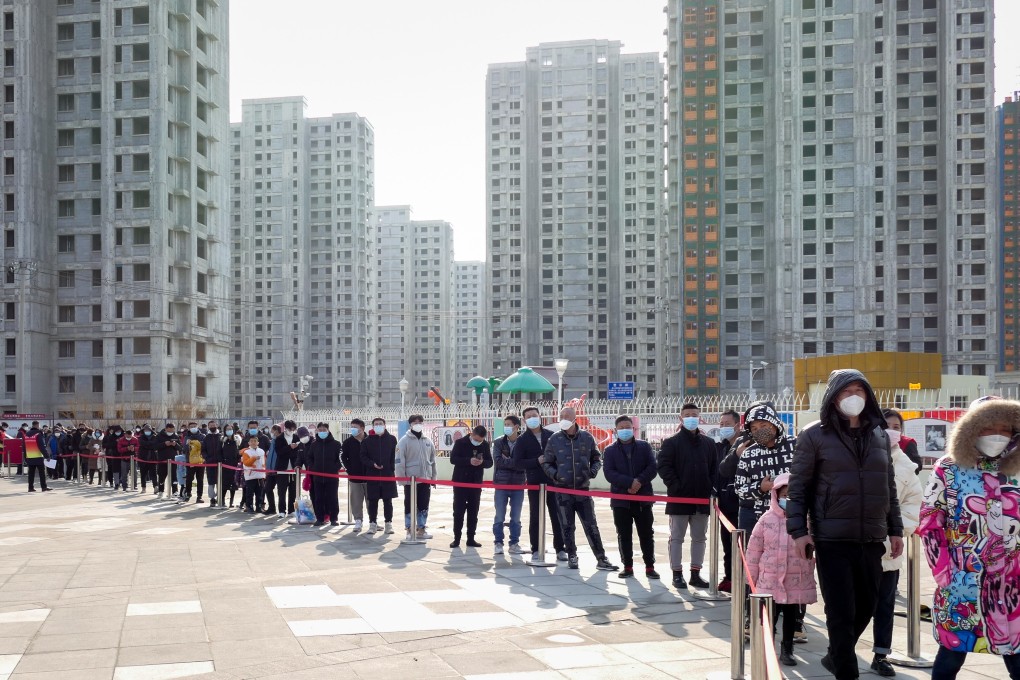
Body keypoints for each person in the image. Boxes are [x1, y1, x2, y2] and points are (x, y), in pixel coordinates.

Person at [786, 369, 904, 680]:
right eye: (845, 391)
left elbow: (888, 486)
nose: (853, 397)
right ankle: (846, 672)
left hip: (872, 536)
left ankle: (834, 656)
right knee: (840, 613)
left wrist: (895, 528)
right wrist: (798, 532)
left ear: (868, 395)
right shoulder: (814, 435)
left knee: (867, 606)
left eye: (859, 390)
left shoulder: (878, 434)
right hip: (832, 538)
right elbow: (798, 488)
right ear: (833, 396)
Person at [917, 396, 1020, 680]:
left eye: (1005, 428)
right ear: (971, 429)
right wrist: (944, 573)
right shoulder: (948, 469)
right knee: (951, 655)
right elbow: (930, 521)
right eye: (988, 427)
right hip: (962, 582)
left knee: (1018, 658)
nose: (998, 434)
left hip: (1014, 588)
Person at [870, 414, 923, 677]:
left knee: (885, 605)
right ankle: (840, 649)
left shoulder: (906, 466)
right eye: (885, 426)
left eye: (896, 428)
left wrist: (899, 530)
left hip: (890, 547)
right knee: (849, 603)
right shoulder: (859, 457)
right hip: (857, 545)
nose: (890, 432)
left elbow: (914, 503)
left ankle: (881, 654)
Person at [745, 473, 817, 667]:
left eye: (792, 496)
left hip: (795, 578)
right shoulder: (766, 519)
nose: (787, 500)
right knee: (769, 616)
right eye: (784, 495)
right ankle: (768, 647)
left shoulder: (807, 520)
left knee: (791, 616)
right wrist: (751, 578)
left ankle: (787, 649)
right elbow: (754, 549)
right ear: (776, 495)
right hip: (770, 579)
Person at [541, 407, 617, 571]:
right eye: (561, 415)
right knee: (567, 526)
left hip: (583, 490)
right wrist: (556, 475)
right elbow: (546, 463)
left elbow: (596, 459)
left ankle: (601, 557)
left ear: (575, 418)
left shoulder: (587, 437)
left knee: (591, 525)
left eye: (566, 415)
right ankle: (572, 556)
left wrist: (592, 472)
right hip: (563, 491)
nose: (563, 418)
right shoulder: (554, 439)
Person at [656, 403, 717, 590]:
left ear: (700, 417)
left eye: (695, 414)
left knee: (700, 538)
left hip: (701, 500)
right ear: (681, 418)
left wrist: (710, 489)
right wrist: (676, 486)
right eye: (688, 414)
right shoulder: (671, 442)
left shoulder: (708, 443)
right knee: (676, 538)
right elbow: (664, 467)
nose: (691, 417)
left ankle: (695, 574)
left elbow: (715, 469)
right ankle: (677, 574)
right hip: (679, 500)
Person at [602, 415, 659, 579]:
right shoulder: (610, 450)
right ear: (615, 431)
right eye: (621, 428)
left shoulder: (644, 446)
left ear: (633, 429)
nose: (625, 430)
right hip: (621, 500)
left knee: (646, 533)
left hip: (643, 499)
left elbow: (652, 468)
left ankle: (650, 566)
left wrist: (639, 482)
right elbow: (609, 473)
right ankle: (627, 566)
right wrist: (629, 483)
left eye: (628, 427)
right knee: (624, 534)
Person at [514, 406, 567, 562]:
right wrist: (535, 461)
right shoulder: (522, 440)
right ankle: (536, 549)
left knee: (557, 515)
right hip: (535, 483)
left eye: (534, 415)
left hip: (553, 481)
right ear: (524, 420)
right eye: (529, 416)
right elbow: (517, 463)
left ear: (540, 416)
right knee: (535, 516)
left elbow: (561, 457)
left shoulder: (552, 436)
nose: (532, 418)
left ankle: (560, 548)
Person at [449, 425, 493, 548]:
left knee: (473, 512)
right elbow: (453, 459)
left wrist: (482, 462)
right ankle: (456, 538)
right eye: (476, 439)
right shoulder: (460, 442)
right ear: (472, 434)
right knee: (458, 511)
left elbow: (490, 462)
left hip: (475, 482)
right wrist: (469, 461)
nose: (478, 442)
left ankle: (471, 538)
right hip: (461, 482)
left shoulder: (484, 445)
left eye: (481, 440)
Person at [395, 414, 437, 540]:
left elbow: (433, 461)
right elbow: (399, 461)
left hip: (425, 479)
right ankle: (409, 529)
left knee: (424, 504)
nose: (417, 424)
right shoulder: (404, 441)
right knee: (409, 504)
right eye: (415, 422)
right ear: (410, 424)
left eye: (420, 421)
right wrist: (402, 479)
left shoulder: (427, 441)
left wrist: (433, 479)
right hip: (410, 481)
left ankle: (421, 529)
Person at [491, 415, 527, 556]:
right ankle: (498, 542)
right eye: (505, 424)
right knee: (499, 515)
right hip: (501, 484)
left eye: (508, 424)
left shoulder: (523, 442)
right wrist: (515, 462)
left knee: (516, 516)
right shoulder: (499, 442)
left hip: (518, 484)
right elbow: (498, 461)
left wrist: (512, 462)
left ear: (516, 427)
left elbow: (524, 463)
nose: (506, 427)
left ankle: (514, 543)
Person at [715, 409, 741, 592]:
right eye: (721, 424)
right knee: (727, 543)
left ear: (738, 425)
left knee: (742, 545)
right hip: (724, 503)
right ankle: (729, 577)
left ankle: (743, 580)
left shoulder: (746, 446)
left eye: (727, 424)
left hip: (742, 503)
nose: (724, 427)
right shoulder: (722, 447)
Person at [361, 417, 398, 534]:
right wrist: (372, 464)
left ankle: (388, 523)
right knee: (373, 501)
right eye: (376, 424)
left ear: (385, 425)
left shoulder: (392, 439)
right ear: (372, 426)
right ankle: (372, 523)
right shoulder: (367, 441)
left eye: (380, 424)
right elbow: (363, 457)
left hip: (388, 475)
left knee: (388, 501)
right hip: (373, 475)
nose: (378, 426)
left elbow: (395, 456)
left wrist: (391, 468)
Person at [306, 422, 342, 526]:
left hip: (332, 476)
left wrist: (334, 468)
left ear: (328, 430)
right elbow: (309, 458)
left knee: (332, 497)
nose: (322, 432)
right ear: (317, 431)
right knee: (318, 498)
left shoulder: (336, 444)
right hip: (317, 477)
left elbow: (340, 459)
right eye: (320, 430)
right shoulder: (314, 444)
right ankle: (320, 518)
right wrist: (313, 468)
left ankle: (334, 518)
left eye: (324, 430)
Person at [341, 419, 369, 531]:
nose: (352, 429)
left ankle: (373, 521)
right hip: (354, 477)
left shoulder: (370, 440)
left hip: (370, 476)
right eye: (351, 426)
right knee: (356, 501)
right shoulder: (348, 442)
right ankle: (358, 520)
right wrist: (349, 470)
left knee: (371, 501)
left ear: (362, 428)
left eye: (355, 427)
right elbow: (342, 457)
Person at [271, 421, 299, 517]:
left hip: (294, 468)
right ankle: (282, 511)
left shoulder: (296, 437)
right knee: (282, 491)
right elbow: (279, 451)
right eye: (289, 429)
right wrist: (289, 447)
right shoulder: (279, 438)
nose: (291, 431)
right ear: (285, 428)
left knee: (293, 490)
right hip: (282, 468)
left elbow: (299, 451)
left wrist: (295, 447)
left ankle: (291, 510)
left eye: (293, 429)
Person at [884, 409, 922, 474]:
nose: (891, 430)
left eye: (896, 427)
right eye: (886, 426)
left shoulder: (907, 443)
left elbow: (917, 467)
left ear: (901, 429)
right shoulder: (868, 444)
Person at [240, 435, 266, 514]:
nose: (253, 443)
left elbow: (264, 462)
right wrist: (254, 458)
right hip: (250, 476)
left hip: (260, 476)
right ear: (249, 443)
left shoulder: (261, 451)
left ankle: (258, 506)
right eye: (251, 441)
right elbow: (246, 463)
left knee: (259, 493)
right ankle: (249, 507)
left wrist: (265, 471)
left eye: (255, 441)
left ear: (258, 442)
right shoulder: (246, 452)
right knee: (249, 493)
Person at [154, 423, 180, 499]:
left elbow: (180, 448)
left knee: (174, 476)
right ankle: (161, 491)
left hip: (173, 460)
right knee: (161, 476)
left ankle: (175, 491)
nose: (172, 431)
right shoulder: (159, 436)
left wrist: (175, 445)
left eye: (173, 430)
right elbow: (155, 447)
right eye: (170, 430)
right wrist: (164, 444)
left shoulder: (175, 436)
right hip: (162, 460)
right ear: (166, 429)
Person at [181, 422, 205, 503]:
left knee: (200, 479)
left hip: (200, 461)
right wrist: (188, 445)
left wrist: (194, 443)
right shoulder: (186, 437)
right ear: (189, 428)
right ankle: (188, 494)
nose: (193, 428)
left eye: (195, 426)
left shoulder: (202, 436)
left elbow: (204, 447)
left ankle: (199, 496)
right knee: (189, 478)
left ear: (198, 427)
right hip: (190, 461)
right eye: (191, 427)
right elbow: (184, 449)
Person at [26, 427, 50, 492]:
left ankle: (30, 488)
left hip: (30, 457)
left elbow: (24, 446)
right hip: (38, 457)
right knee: (42, 473)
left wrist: (25, 457)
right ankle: (44, 487)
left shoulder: (26, 435)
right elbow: (41, 446)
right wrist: (47, 456)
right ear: (37, 426)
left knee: (31, 474)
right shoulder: (38, 434)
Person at [116, 427, 139, 492]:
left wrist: (134, 448)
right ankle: (124, 486)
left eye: (130, 436)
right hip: (124, 459)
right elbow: (119, 450)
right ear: (125, 434)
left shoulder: (135, 439)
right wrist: (127, 448)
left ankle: (134, 486)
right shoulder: (121, 440)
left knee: (134, 473)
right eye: (127, 436)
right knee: (124, 474)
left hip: (133, 459)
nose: (129, 437)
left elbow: (139, 447)